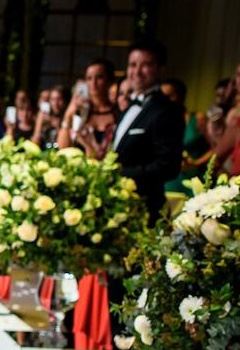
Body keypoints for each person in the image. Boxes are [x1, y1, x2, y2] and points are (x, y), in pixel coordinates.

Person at [111, 38, 183, 222]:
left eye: (146, 65)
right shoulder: (129, 107)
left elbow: (168, 167)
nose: (137, 71)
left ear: (160, 69)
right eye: (132, 65)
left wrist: (120, 174)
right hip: (120, 204)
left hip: (146, 206)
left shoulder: (167, 111)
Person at [58, 59, 118, 158]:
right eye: (89, 78)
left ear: (110, 80)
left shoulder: (117, 112)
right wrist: (68, 115)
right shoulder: (79, 112)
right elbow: (63, 148)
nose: (93, 82)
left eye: (99, 77)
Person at [159, 77, 210, 192]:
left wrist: (197, 162)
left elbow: (216, 148)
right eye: (162, 96)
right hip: (169, 181)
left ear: (181, 96)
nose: (165, 100)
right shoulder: (160, 122)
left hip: (195, 179)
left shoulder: (197, 118)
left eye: (170, 96)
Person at [31, 84, 66, 149]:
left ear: (65, 100)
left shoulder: (68, 119)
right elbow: (34, 145)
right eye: (53, 99)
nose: (55, 103)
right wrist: (39, 123)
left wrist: (58, 128)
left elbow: (64, 146)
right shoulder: (44, 118)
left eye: (59, 99)